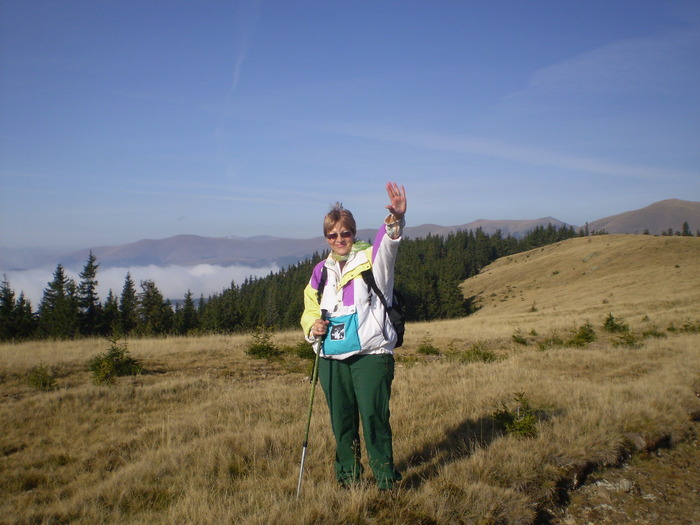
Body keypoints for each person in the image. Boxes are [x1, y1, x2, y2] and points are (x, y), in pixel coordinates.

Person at [300, 182, 407, 490]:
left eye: (345, 233)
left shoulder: (373, 260)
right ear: (326, 238)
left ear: (354, 233)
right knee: (342, 423)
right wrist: (312, 328)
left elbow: (389, 245)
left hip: (371, 355)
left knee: (374, 418)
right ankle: (348, 479)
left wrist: (396, 221)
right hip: (331, 357)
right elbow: (309, 308)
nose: (340, 239)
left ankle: (386, 480)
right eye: (333, 235)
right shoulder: (321, 271)